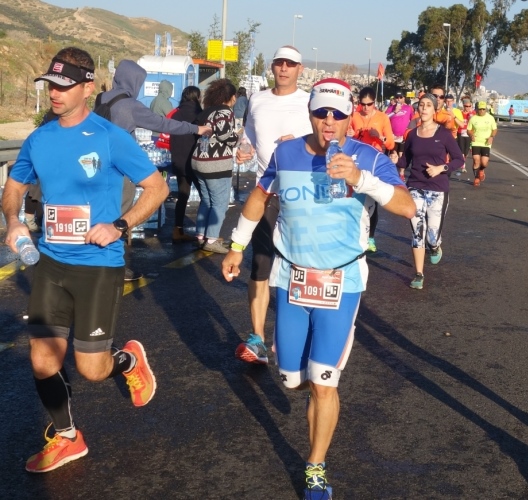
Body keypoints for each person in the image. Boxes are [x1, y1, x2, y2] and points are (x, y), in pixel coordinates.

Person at [221, 78, 416, 499]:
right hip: (292, 280)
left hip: (341, 283)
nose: (329, 121)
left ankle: (315, 466)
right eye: (321, 113)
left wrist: (362, 179)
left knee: (325, 382)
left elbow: (407, 206)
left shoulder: (368, 157)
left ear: (349, 117)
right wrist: (237, 245)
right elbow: (259, 197)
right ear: (309, 113)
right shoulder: (287, 153)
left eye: (338, 114)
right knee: (293, 380)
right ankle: (312, 384)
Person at [2, 47, 168, 473]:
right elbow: (15, 186)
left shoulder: (110, 137)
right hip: (51, 263)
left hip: (98, 264)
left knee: (92, 369)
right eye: (50, 85)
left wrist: (119, 225)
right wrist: (14, 221)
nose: (54, 93)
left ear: (88, 87)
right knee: (42, 360)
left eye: (64, 85)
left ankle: (127, 360)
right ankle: (67, 437)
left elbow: (157, 188)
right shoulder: (39, 139)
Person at [232, 45, 312, 365]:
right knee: (260, 264)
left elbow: (326, 142)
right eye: (279, 63)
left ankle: (299, 333)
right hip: (266, 194)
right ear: (272, 67)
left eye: (290, 64)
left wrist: (301, 144)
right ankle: (257, 340)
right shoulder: (258, 99)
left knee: (299, 267)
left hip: (300, 195)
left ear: (300, 69)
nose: (284, 69)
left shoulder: (309, 102)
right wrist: (244, 148)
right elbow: (249, 134)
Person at [96, 60, 211, 280]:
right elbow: (164, 124)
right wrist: (196, 129)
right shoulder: (130, 105)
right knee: (121, 216)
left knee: (102, 211)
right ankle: (116, 266)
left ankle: (97, 260)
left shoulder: (102, 98)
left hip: (98, 164)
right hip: (121, 166)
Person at [396, 92, 463, 290]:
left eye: (428, 105)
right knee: (417, 232)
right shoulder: (412, 135)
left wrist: (441, 168)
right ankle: (419, 274)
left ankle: (434, 246)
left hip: (437, 189)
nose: (424, 108)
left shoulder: (444, 134)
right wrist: (395, 160)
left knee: (431, 236)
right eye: (421, 105)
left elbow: (459, 159)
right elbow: (405, 161)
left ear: (435, 110)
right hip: (415, 187)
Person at [191, 79, 238, 254]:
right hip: (215, 163)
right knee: (220, 203)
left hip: (199, 159)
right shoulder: (225, 111)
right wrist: (238, 139)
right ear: (232, 97)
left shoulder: (208, 111)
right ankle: (211, 239)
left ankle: (201, 236)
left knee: (206, 200)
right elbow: (225, 134)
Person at [350, 86, 396, 253]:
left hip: (374, 163)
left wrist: (380, 137)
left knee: (372, 201)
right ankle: (354, 235)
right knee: (355, 199)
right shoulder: (354, 116)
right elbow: (344, 136)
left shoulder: (382, 118)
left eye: (369, 104)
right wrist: (350, 134)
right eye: (363, 104)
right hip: (356, 161)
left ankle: (370, 237)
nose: (366, 108)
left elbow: (390, 144)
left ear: (374, 102)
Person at [169, 85, 203, 244]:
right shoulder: (199, 114)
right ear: (197, 97)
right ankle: (204, 233)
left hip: (179, 162)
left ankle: (178, 230)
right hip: (195, 163)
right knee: (206, 197)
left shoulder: (176, 114)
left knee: (183, 195)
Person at [467, 101, 497, 187]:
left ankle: (481, 169)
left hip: (486, 143)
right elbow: (469, 130)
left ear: (486, 109)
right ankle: (476, 178)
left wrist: (492, 137)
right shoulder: (473, 118)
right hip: (476, 142)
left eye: (484, 109)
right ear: (477, 109)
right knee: (476, 160)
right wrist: (471, 135)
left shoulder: (490, 118)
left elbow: (494, 129)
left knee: (484, 163)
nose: (482, 111)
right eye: (480, 109)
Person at [385, 91, 414, 180]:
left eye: (400, 97)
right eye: (397, 97)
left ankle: (401, 174)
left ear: (403, 98)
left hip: (403, 136)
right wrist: (395, 111)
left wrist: (408, 131)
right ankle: (392, 173)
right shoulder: (391, 108)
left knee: (402, 156)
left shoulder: (408, 108)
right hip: (393, 136)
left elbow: (413, 120)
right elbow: (384, 118)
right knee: (393, 155)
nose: (398, 99)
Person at [456, 97, 475, 175]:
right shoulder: (460, 113)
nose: (467, 108)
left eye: (469, 106)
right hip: (460, 133)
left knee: (466, 151)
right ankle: (463, 165)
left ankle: (463, 161)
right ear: (463, 106)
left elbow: (474, 122)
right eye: (466, 106)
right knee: (461, 150)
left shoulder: (473, 113)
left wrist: (471, 115)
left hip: (468, 133)